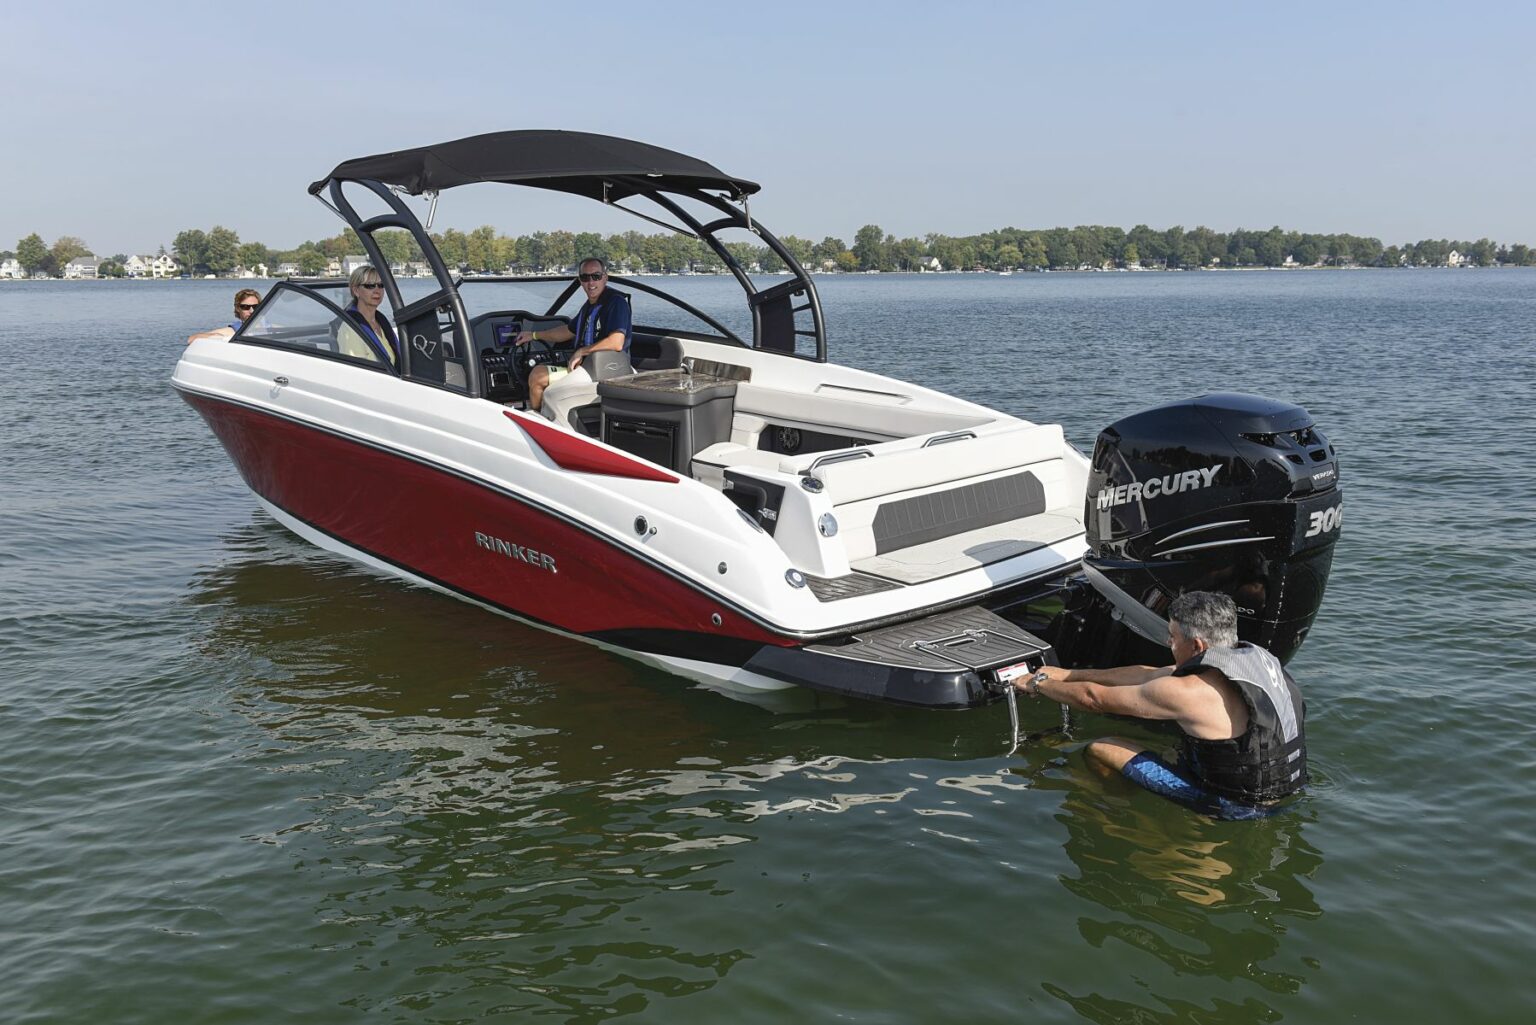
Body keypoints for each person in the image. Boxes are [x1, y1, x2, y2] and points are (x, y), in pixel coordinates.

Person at [1017, 591, 1307, 819]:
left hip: (1233, 806)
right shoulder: (1257, 660)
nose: (1169, 642)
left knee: (1101, 749)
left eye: (1173, 637)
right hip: (1289, 790)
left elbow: (1094, 700)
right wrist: (1070, 674)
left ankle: (1115, 813)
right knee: (1165, 744)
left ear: (1196, 646)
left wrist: (1037, 683)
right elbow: (1148, 673)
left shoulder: (1189, 692)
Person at [514, 257, 631, 412]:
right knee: (541, 373)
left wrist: (582, 351)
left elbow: (616, 342)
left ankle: (538, 422)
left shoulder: (616, 303)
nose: (591, 283)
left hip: (605, 370)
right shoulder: (588, 307)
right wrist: (534, 335)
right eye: (585, 277)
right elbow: (568, 331)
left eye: (596, 276)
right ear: (580, 281)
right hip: (588, 368)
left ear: (605, 277)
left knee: (538, 376)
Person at [336, 265, 399, 365]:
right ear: (356, 291)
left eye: (381, 285)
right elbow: (356, 372)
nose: (377, 290)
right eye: (370, 286)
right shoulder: (350, 328)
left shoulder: (382, 322)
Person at [186, 288, 261, 344]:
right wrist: (219, 337)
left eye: (255, 307)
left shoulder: (269, 327)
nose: (251, 311)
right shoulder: (235, 330)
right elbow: (191, 339)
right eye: (245, 307)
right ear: (238, 308)